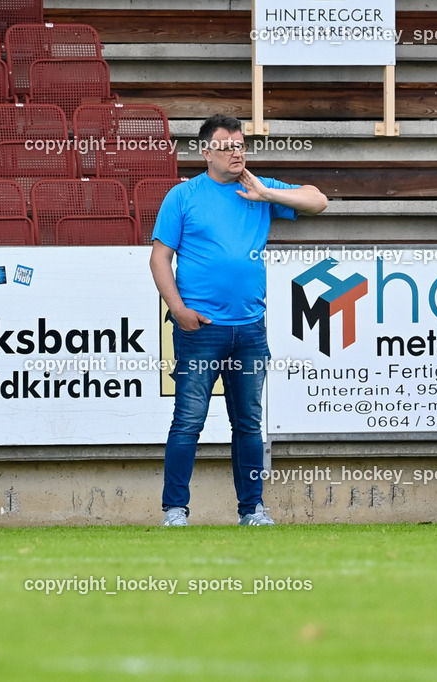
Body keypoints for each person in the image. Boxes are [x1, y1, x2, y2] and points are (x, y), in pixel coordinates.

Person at [149, 114, 328, 527]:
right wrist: (178, 310)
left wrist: (268, 194)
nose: (236, 152)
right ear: (205, 151)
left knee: (247, 423)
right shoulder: (183, 196)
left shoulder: (256, 188)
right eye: (226, 145)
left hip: (249, 329)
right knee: (188, 421)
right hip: (201, 330)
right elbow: (160, 258)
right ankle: (175, 511)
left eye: (240, 144)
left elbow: (318, 201)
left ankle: (252, 510)